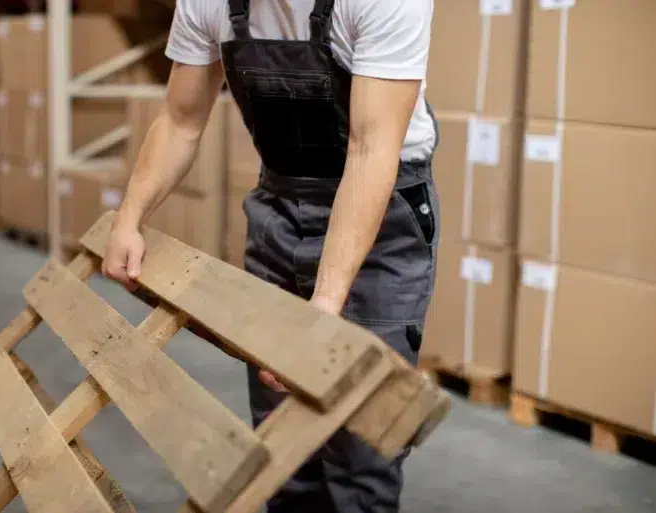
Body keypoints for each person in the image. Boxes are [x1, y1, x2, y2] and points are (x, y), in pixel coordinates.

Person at [102, 0, 440, 511]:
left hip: (382, 214)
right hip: (279, 206)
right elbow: (179, 119)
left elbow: (372, 150)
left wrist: (325, 304)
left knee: (360, 447)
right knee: (282, 441)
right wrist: (129, 217)